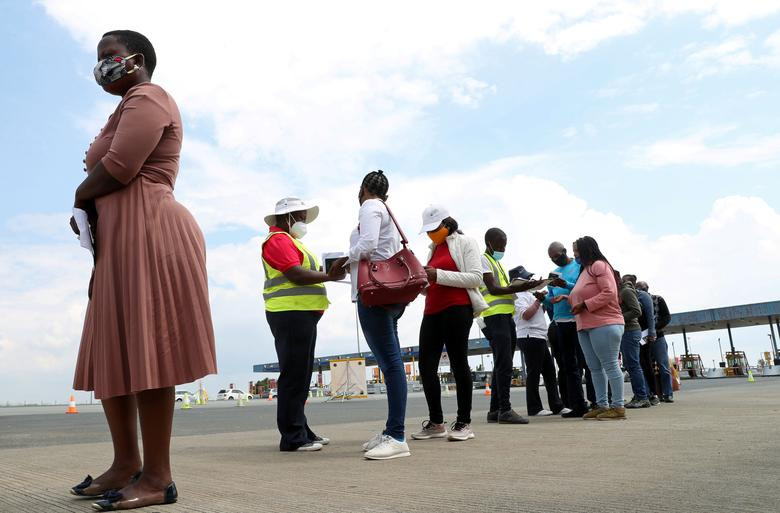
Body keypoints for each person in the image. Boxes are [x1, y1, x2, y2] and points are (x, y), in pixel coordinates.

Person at [70, 30, 217, 511]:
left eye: (110, 56)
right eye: (98, 60)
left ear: (138, 60)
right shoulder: (121, 108)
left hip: (152, 232)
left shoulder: (149, 96)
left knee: (149, 349)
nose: (103, 66)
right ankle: (125, 463)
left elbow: (122, 165)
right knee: (113, 350)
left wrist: (79, 196)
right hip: (117, 243)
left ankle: (157, 477)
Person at [262, 197, 347, 452]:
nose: (302, 221)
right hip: (289, 314)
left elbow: (303, 270)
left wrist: (330, 272)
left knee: (301, 375)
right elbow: (295, 274)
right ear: (286, 218)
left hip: (301, 314)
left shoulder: (292, 242)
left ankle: (302, 430)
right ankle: (292, 437)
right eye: (299, 217)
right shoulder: (277, 240)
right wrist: (328, 277)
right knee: (293, 376)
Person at [348, 170, 410, 460]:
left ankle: (397, 436)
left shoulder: (370, 206)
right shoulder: (385, 209)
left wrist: (343, 260)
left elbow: (369, 245)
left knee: (391, 365)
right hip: (391, 294)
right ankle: (390, 430)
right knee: (391, 363)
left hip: (375, 294)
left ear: (363, 189)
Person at [413, 206, 487, 442]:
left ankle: (464, 423)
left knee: (458, 363)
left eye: (434, 229)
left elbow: (476, 277)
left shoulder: (466, 243)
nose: (430, 234)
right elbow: (433, 281)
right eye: (428, 231)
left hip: (457, 308)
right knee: (425, 367)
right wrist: (421, 284)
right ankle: (436, 422)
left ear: (447, 224)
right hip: (432, 310)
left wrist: (438, 274)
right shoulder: (433, 249)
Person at [479, 228, 542, 424]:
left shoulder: (497, 262)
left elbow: (505, 289)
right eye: (500, 244)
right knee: (504, 364)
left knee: (501, 363)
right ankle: (505, 409)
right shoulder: (484, 260)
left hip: (505, 317)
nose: (503, 248)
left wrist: (526, 286)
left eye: (505, 244)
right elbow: (493, 289)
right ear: (489, 243)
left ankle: (495, 410)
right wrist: (521, 287)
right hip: (494, 316)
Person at [568, 236, 626, 420]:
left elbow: (610, 292)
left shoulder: (598, 266)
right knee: (594, 368)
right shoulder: (584, 270)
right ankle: (602, 404)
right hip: (585, 325)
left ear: (585, 250)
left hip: (605, 323)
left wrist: (585, 304)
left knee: (610, 365)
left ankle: (618, 406)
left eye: (576, 251)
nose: (574, 255)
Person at [545, 242, 596, 418]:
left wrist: (565, 283)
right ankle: (578, 404)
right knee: (569, 366)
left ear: (565, 252)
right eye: (551, 258)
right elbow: (551, 298)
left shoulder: (579, 266)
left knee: (587, 362)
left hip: (577, 319)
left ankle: (596, 401)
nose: (554, 260)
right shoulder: (553, 274)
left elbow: (582, 289)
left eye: (556, 256)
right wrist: (545, 299)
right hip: (560, 322)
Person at [511, 267, 565, 417]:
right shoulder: (517, 295)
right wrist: (538, 301)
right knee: (534, 372)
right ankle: (534, 408)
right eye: (526, 278)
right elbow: (526, 315)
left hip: (538, 336)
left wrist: (545, 301)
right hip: (529, 336)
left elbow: (537, 309)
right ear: (516, 281)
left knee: (549, 372)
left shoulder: (527, 294)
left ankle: (557, 405)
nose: (530, 280)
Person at [637, 281, 675, 403]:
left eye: (642, 288)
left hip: (658, 337)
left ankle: (668, 393)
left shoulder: (658, 299)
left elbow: (667, 317)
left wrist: (653, 329)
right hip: (642, 339)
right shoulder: (636, 302)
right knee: (645, 366)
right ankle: (651, 394)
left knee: (663, 366)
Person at [617, 273, 650, 409]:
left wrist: (618, 317)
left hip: (630, 331)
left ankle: (642, 397)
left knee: (633, 365)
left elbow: (637, 311)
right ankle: (640, 396)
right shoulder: (622, 291)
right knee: (631, 365)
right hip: (628, 331)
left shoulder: (626, 291)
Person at [623, 274, 657, 406]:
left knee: (644, 364)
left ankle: (651, 394)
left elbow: (650, 316)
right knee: (636, 364)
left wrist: (652, 333)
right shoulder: (629, 294)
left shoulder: (643, 296)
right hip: (636, 333)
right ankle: (644, 394)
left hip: (643, 334)